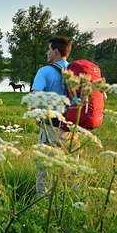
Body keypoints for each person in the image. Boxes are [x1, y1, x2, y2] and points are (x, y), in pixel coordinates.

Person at [31, 35, 76, 196]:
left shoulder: (45, 71)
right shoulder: (76, 71)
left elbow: (35, 96)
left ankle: (42, 203)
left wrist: (37, 116)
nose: (46, 53)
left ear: (55, 51)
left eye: (48, 49)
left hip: (51, 126)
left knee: (44, 166)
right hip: (73, 127)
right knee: (71, 166)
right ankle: (71, 201)